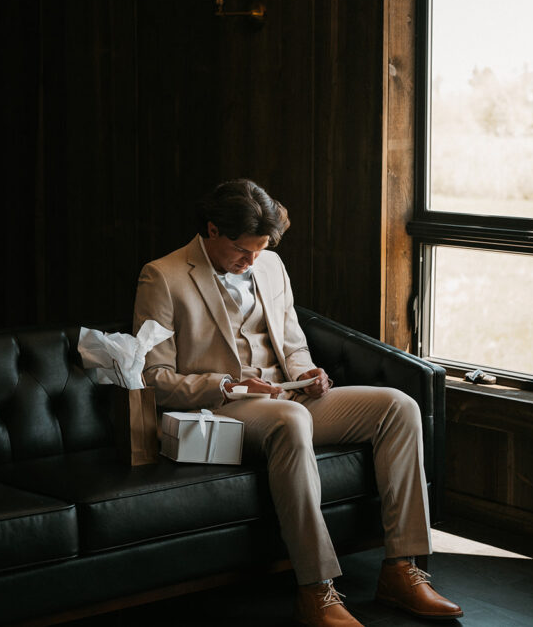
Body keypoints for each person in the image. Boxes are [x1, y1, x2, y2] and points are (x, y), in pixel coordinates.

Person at [133, 179, 462, 626]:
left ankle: (402, 570)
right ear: (212, 230)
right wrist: (229, 384)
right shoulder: (163, 275)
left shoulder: (270, 265)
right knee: (290, 420)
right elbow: (153, 378)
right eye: (242, 252)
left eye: (260, 250)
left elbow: (292, 343)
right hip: (224, 407)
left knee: (397, 406)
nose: (252, 262)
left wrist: (307, 371)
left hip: (289, 399)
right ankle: (317, 590)